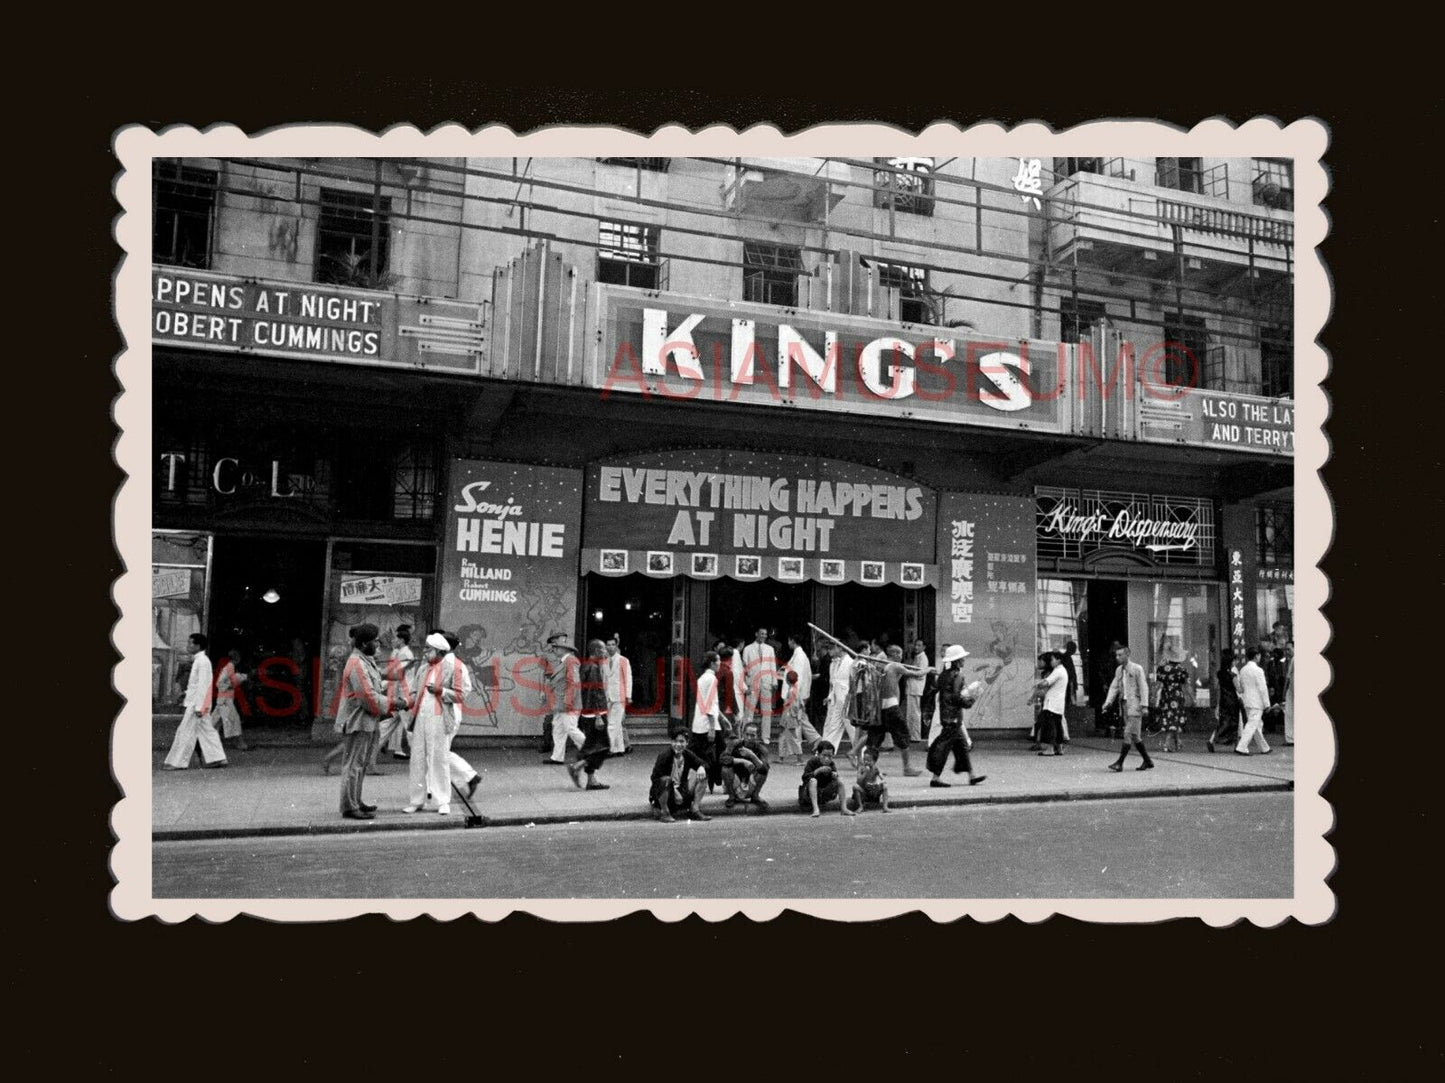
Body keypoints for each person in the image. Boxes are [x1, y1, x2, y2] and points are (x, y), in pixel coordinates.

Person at [333, 623, 392, 821]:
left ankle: (356, 801)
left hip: (366, 721)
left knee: (360, 764)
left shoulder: (364, 660)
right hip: (357, 721)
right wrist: (393, 704)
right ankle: (350, 806)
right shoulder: (357, 663)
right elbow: (367, 696)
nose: (377, 644)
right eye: (375, 641)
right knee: (353, 765)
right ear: (365, 643)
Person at [403, 632, 459, 815]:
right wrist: (406, 702)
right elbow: (413, 691)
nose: (425, 652)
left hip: (440, 718)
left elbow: (460, 694)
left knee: (439, 759)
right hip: (420, 717)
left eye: (428, 649)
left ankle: (442, 801)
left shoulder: (451, 668)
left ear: (439, 651)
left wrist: (441, 691)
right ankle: (416, 800)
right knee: (417, 759)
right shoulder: (422, 669)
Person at [164, 633, 227, 770]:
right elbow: (196, 685)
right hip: (197, 702)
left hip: (197, 705)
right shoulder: (200, 661)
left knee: (185, 732)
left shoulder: (202, 662)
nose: (188, 645)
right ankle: (218, 758)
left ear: (198, 646)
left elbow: (204, 685)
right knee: (207, 732)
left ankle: (178, 762)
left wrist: (200, 707)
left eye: (190, 643)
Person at [926, 645, 987, 787]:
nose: (964, 660)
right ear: (958, 660)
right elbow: (957, 697)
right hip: (953, 717)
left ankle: (972, 776)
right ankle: (935, 778)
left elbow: (935, 691)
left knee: (962, 747)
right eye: (962, 658)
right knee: (944, 748)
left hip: (947, 716)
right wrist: (972, 700)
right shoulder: (958, 675)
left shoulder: (944, 675)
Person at [867, 645, 927, 776]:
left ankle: (870, 769)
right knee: (903, 736)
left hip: (879, 709)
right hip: (892, 708)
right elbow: (916, 674)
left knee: (875, 739)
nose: (901, 656)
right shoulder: (894, 666)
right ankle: (907, 768)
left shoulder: (879, 667)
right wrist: (928, 670)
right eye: (899, 654)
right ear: (894, 654)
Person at [567, 638, 614, 791]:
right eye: (603, 649)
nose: (606, 652)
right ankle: (577, 766)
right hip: (595, 714)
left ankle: (591, 780)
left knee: (591, 747)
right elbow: (594, 693)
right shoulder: (593, 668)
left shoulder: (587, 666)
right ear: (596, 651)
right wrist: (599, 716)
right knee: (604, 747)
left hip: (588, 713)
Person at [442, 631, 482, 802]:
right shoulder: (455, 663)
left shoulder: (449, 664)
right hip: (450, 712)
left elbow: (462, 691)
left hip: (447, 712)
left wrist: (442, 693)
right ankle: (460, 780)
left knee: (440, 752)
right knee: (439, 752)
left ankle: (469, 776)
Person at [1102, 643, 1154, 772]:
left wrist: (1145, 706)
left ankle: (1119, 763)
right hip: (1124, 705)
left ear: (1127, 654)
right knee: (1135, 736)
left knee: (1127, 733)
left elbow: (1143, 687)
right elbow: (1114, 687)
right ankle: (1147, 761)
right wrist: (1108, 702)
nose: (1117, 657)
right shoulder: (1119, 670)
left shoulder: (1137, 669)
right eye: (1116, 655)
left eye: (1120, 655)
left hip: (1135, 705)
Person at [649, 732, 710, 823]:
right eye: (675, 741)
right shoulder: (664, 756)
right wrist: (675, 791)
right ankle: (665, 813)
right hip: (666, 792)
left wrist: (701, 767)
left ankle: (695, 810)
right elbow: (655, 778)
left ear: (687, 743)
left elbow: (704, 763)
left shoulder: (687, 754)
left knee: (703, 776)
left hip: (682, 790)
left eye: (682, 741)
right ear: (671, 742)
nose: (678, 745)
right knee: (665, 780)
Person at [543, 633, 585, 765]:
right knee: (558, 729)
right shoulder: (564, 662)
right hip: (561, 704)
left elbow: (573, 682)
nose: (553, 650)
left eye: (556, 647)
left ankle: (590, 750)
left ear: (564, 649)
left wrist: (568, 701)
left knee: (570, 728)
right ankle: (557, 757)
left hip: (568, 703)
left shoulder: (571, 661)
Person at [689, 650, 727, 790]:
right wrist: (712, 727)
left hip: (699, 723)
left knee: (699, 754)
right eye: (718, 661)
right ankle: (718, 781)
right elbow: (710, 704)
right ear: (712, 663)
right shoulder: (712, 679)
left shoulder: (702, 678)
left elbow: (706, 702)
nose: (720, 663)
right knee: (721, 754)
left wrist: (722, 718)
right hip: (708, 725)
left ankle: (705, 782)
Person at [375, 624, 414, 763]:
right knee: (391, 723)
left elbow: (397, 673)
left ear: (401, 640)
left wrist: (380, 673)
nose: (393, 641)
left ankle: (418, 753)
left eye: (396, 638)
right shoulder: (399, 652)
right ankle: (373, 750)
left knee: (406, 725)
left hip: (404, 695)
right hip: (398, 694)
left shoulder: (406, 654)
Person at [820, 641, 858, 760]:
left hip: (847, 700)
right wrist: (830, 696)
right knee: (833, 727)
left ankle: (860, 755)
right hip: (837, 701)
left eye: (832, 648)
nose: (830, 651)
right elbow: (835, 683)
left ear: (840, 648)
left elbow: (853, 683)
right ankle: (825, 753)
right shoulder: (835, 663)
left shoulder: (851, 663)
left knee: (852, 729)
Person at [722, 720, 770, 811]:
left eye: (752, 735)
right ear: (743, 734)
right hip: (734, 781)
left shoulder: (762, 749)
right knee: (725, 769)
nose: (749, 738)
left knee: (764, 770)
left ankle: (755, 796)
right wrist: (743, 761)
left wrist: (752, 755)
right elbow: (723, 758)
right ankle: (731, 797)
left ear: (757, 737)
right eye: (747, 734)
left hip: (751, 782)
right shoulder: (734, 744)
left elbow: (764, 769)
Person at [741, 627, 778, 742]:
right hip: (752, 681)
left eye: (765, 634)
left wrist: (774, 681)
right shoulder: (747, 649)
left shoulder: (770, 649)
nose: (763, 636)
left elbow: (772, 665)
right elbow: (744, 667)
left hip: (766, 681)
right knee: (749, 710)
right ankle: (746, 735)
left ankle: (765, 736)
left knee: (766, 710)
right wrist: (745, 684)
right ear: (756, 634)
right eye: (761, 634)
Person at [1235, 646, 1273, 756]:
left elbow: (1241, 685)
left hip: (1247, 700)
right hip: (1257, 702)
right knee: (1252, 725)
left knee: (1254, 724)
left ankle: (1264, 748)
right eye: (1259, 655)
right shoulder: (1258, 670)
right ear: (1256, 656)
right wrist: (1267, 704)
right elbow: (1263, 688)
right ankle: (1241, 747)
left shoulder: (1243, 669)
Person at [1155, 638, 1191, 753]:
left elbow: (1158, 682)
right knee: (1175, 720)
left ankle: (1177, 742)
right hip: (1177, 695)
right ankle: (1166, 743)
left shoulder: (1161, 668)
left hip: (1166, 695)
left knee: (1169, 718)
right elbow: (1186, 685)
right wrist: (1192, 697)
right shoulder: (1181, 669)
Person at [799, 739, 851, 818]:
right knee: (813, 781)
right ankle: (816, 809)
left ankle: (844, 808)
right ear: (819, 754)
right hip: (808, 794)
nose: (827, 759)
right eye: (824, 756)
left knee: (840, 781)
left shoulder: (831, 764)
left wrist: (834, 775)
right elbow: (804, 778)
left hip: (824, 794)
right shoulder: (812, 761)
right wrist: (817, 771)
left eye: (829, 756)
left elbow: (835, 777)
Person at [1032, 650, 1068, 756]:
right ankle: (1059, 748)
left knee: (1049, 726)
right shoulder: (1063, 671)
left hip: (1052, 703)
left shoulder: (1058, 671)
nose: (1051, 661)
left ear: (1058, 660)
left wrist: (1037, 685)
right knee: (1057, 726)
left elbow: (1046, 683)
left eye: (1052, 659)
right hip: (1058, 703)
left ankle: (1050, 749)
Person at [1206, 650, 1243, 753]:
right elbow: (1239, 689)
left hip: (1223, 701)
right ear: (1231, 661)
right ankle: (1236, 744)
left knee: (1223, 722)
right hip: (1232, 701)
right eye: (1234, 660)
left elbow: (1218, 689)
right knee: (1234, 722)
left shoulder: (1220, 674)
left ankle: (1212, 740)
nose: (1235, 662)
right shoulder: (1232, 675)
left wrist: (1218, 704)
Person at [213, 649, 248, 751]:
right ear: (237, 658)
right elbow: (220, 683)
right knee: (234, 720)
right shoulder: (230, 667)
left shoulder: (229, 667)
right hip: (226, 699)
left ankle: (205, 741)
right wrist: (232, 685)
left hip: (224, 699)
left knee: (215, 722)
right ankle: (240, 743)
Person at [604, 633, 633, 755]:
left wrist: (628, 695)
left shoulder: (623, 660)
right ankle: (620, 749)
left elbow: (628, 678)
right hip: (607, 696)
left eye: (613, 644)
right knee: (616, 724)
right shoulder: (604, 661)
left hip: (619, 695)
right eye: (608, 645)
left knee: (612, 724)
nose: (610, 647)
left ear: (616, 646)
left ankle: (611, 749)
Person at [848, 748, 890, 814]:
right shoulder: (861, 768)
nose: (866, 762)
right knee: (855, 787)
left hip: (873, 791)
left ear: (874, 761)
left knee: (885, 786)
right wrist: (865, 773)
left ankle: (885, 807)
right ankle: (860, 806)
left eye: (869, 760)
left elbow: (881, 777)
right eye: (864, 760)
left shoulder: (875, 768)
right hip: (864, 791)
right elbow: (858, 781)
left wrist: (882, 781)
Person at [905, 638, 929, 743]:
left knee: (914, 713)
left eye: (919, 645)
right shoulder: (917, 657)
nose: (916, 647)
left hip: (915, 688)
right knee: (910, 713)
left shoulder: (923, 658)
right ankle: (911, 734)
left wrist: (907, 671)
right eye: (916, 645)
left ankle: (915, 736)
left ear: (924, 647)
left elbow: (920, 674)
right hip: (912, 688)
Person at [1059, 640, 1079, 743]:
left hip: (1066, 688)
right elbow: (1071, 676)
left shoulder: (1065, 658)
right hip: (1066, 688)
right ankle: (1064, 734)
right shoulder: (1067, 658)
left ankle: (1064, 734)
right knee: (1062, 711)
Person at [1282, 642, 1295, 746]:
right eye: (1285, 650)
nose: (1287, 652)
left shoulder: (1294, 659)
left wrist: (1284, 690)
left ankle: (1291, 738)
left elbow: (1288, 678)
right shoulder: (1291, 660)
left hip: (1292, 690)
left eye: (1288, 649)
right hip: (1292, 690)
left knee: (1290, 714)